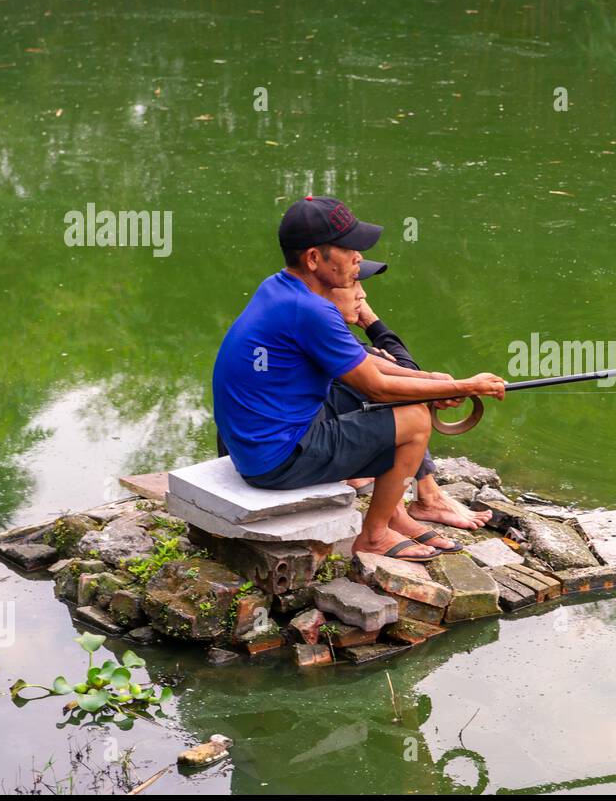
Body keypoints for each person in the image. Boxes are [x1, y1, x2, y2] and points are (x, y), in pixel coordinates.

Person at [211, 196, 505, 562]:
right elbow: (376, 388)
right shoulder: (312, 310)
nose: (358, 259)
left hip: (254, 443)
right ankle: (375, 535)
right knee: (412, 420)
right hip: (274, 459)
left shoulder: (280, 287)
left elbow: (361, 362)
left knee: (399, 399)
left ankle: (395, 512)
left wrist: (430, 380)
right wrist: (463, 387)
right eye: (349, 250)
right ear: (314, 258)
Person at [330, 271, 493, 530]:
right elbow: (390, 381)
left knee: (399, 393)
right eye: (353, 284)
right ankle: (425, 498)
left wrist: (432, 384)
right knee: (401, 402)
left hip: (305, 437)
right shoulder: (321, 328)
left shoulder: (328, 325)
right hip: (292, 452)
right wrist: (372, 322)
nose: (363, 294)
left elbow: (403, 370)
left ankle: (419, 493)